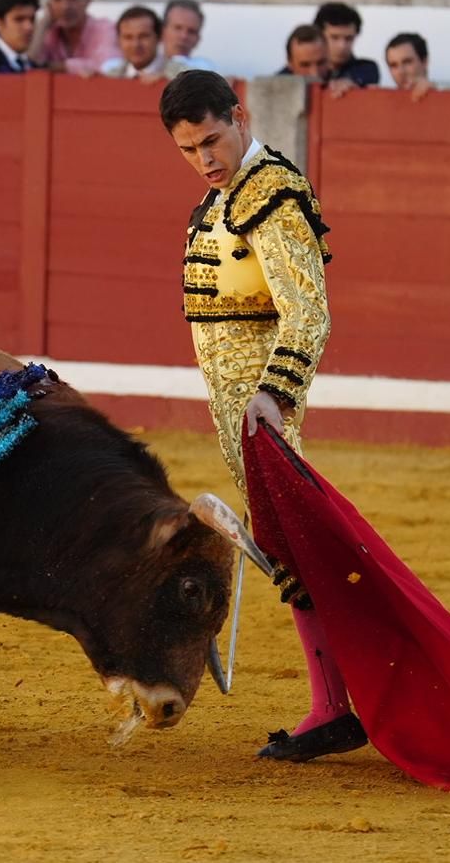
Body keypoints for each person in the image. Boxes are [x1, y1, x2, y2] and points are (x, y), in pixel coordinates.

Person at [158, 69, 356, 764]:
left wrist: (275, 392)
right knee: (291, 552)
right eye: (188, 150)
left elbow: (309, 310)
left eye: (212, 140)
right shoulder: (225, 199)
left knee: (297, 552)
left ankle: (336, 705)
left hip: (264, 412)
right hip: (239, 415)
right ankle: (336, 702)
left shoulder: (269, 193)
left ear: (240, 118)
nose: (204, 159)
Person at [29, 0, 119, 75]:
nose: (65, 7)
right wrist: (43, 24)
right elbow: (29, 65)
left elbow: (110, 67)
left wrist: (57, 66)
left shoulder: (104, 28)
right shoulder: (47, 32)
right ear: (49, 4)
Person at [314, 1, 379, 88]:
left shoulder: (366, 69)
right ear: (319, 36)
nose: (342, 46)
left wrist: (352, 83)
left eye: (349, 38)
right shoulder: (304, 68)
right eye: (334, 37)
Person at [100, 5, 166, 78]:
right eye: (128, 37)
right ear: (119, 40)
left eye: (143, 36)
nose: (135, 45)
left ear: (159, 37)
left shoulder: (176, 76)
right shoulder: (110, 77)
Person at [161, 0, 221, 73]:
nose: (184, 36)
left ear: (198, 39)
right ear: (162, 30)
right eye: (178, 28)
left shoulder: (204, 72)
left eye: (191, 31)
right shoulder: (144, 68)